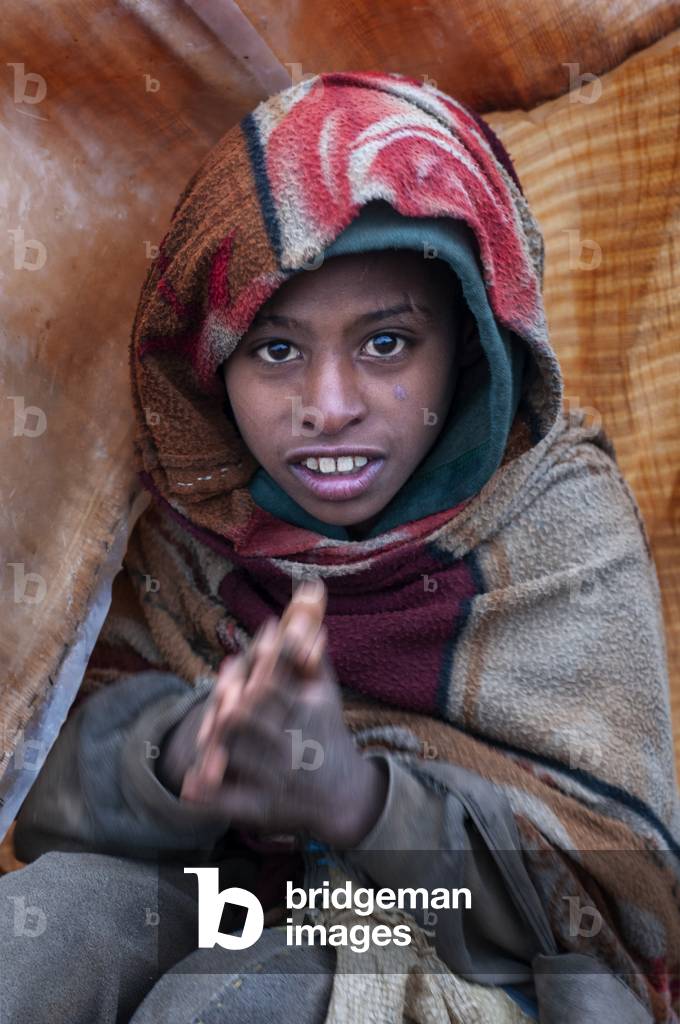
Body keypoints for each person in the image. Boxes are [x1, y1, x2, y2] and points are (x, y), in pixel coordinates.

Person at [2, 70, 678, 1024]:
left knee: (238, 1000)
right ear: (214, 361)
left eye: (388, 345)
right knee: (40, 930)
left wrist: (356, 799)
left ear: (472, 343)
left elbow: (614, 912)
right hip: (228, 900)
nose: (328, 405)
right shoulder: (197, 516)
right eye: (276, 350)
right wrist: (189, 750)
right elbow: (43, 806)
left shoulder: (557, 527)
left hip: (462, 948)